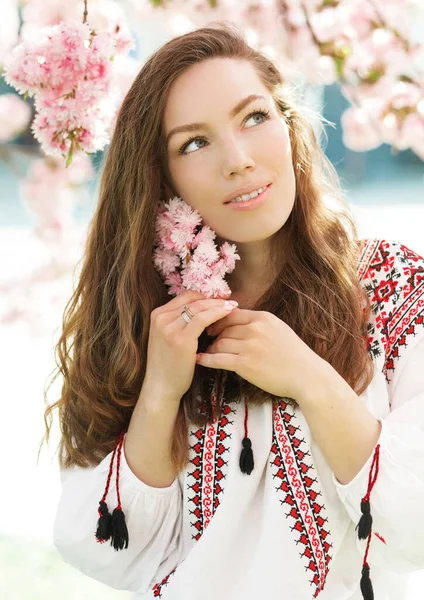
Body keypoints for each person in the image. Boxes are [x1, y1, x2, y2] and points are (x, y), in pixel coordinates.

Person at [44, 22, 424, 600]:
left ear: (289, 125)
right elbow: (107, 551)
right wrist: (159, 394)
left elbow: (414, 528)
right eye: (193, 143)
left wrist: (310, 380)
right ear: (158, 175)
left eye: (254, 117)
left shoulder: (393, 287)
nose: (239, 160)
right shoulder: (140, 318)